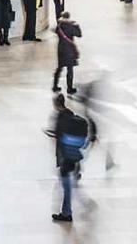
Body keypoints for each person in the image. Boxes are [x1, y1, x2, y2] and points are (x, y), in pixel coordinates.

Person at [48, 93, 91, 223]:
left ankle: (66, 213)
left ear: (56, 104)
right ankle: (68, 210)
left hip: (65, 156)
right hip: (73, 155)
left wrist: (59, 158)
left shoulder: (59, 118)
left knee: (66, 187)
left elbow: (58, 139)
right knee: (67, 185)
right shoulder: (70, 113)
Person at [53, 12, 81, 93]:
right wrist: (76, 25)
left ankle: (55, 86)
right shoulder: (71, 26)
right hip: (69, 50)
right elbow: (79, 34)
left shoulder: (59, 26)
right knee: (70, 69)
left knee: (59, 68)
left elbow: (56, 31)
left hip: (60, 49)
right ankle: (70, 88)